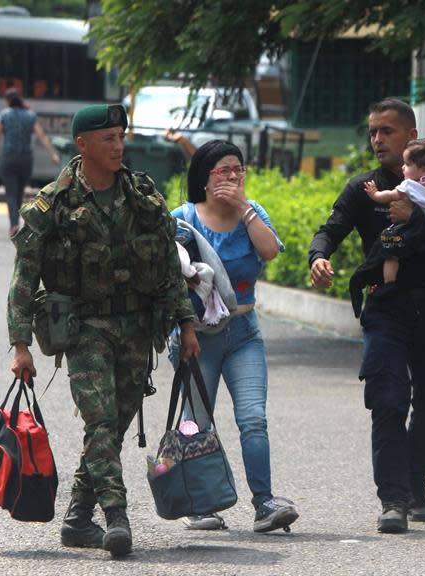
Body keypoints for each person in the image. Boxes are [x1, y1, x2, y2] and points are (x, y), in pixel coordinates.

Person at [7, 104, 200, 558]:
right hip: (84, 327)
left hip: (137, 326)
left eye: (121, 137)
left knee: (112, 427)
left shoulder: (141, 196)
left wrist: (186, 323)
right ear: (83, 145)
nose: (119, 146)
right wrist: (20, 344)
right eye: (109, 138)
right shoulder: (54, 202)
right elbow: (23, 276)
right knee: (100, 419)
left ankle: (77, 517)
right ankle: (116, 516)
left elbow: (171, 267)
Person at [309, 98, 425, 534]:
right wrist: (318, 257)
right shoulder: (364, 189)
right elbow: (331, 228)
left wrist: (417, 219)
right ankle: (393, 499)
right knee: (388, 400)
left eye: (386, 131)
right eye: (372, 131)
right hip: (386, 308)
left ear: (411, 137)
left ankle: (417, 483)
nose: (377, 139)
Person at [169, 139, 299, 533]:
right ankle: (202, 505)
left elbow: (270, 251)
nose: (232, 177)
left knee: (253, 419)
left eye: (238, 170)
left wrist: (244, 208)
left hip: (244, 332)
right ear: (204, 178)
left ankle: (265, 504)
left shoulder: (252, 213)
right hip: (197, 336)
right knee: (197, 422)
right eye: (223, 171)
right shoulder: (184, 217)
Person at [363, 136, 425, 285]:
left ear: (423, 169)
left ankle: (389, 282)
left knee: (391, 250)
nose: (403, 167)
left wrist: (374, 193)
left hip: (415, 230)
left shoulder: (409, 185)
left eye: (407, 164)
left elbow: (389, 196)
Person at [0, 88, 60, 236]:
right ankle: (17, 222)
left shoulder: (3, 115)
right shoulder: (30, 115)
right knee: (19, 193)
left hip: (8, 158)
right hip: (25, 159)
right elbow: (42, 136)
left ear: (7, 101)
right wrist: (53, 154)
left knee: (10, 193)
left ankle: (14, 224)